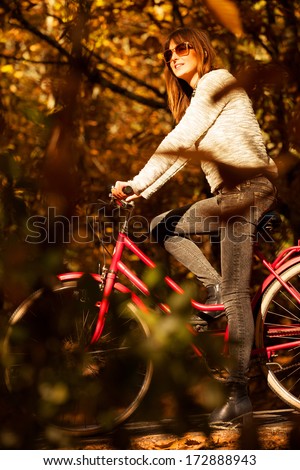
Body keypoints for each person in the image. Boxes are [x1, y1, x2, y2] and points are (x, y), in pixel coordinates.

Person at [112, 27, 278, 426]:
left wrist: (137, 181)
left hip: (246, 191)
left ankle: (239, 395)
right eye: (168, 54)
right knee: (162, 227)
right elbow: (182, 153)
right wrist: (139, 193)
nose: (174, 56)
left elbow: (180, 138)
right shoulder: (199, 99)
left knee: (236, 293)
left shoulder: (217, 81)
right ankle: (214, 286)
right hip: (229, 197)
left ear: (200, 49)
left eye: (181, 48)